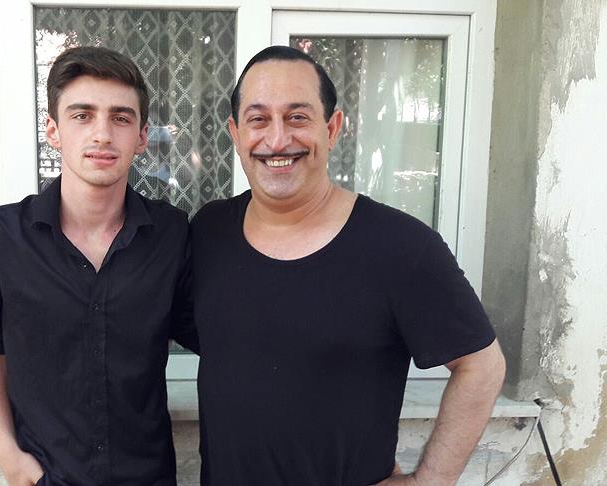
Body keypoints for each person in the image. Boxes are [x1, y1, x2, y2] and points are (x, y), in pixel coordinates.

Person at [191, 45, 506, 486]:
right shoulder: (209, 233)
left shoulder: (400, 246)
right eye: (258, 119)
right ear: (235, 132)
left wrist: (429, 481)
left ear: (332, 128)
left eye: (297, 117)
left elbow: (482, 366)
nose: (277, 140)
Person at [0, 46, 197, 486]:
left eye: (120, 118)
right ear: (53, 130)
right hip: (47, 475)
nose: (102, 134)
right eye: (82, 115)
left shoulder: (171, 233)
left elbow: (211, 329)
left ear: (141, 136)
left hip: (146, 475)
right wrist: (8, 452)